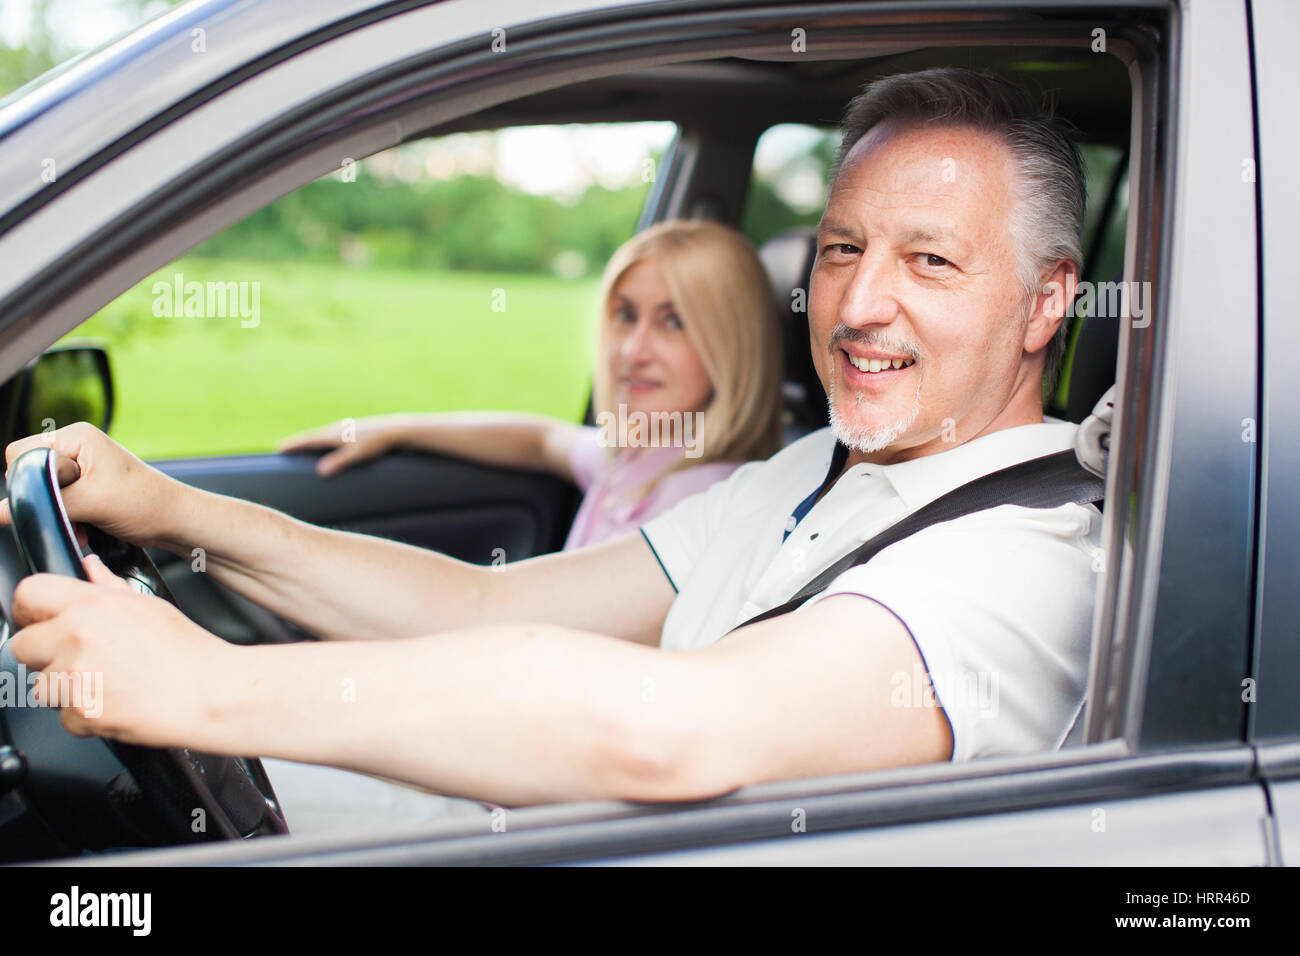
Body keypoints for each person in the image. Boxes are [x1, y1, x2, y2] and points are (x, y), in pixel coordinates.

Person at [0, 67, 1101, 811]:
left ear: (1048, 302)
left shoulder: (1029, 557)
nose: (857, 304)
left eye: (930, 261)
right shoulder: (809, 472)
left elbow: (675, 727)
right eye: (842, 248)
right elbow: (484, 606)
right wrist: (179, 510)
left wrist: (206, 687)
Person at [276, 219, 785, 551]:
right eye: (625, 316)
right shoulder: (637, 455)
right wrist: (396, 429)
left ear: (732, 344)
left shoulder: (703, 497)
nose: (633, 350)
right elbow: (543, 440)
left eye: (674, 323)